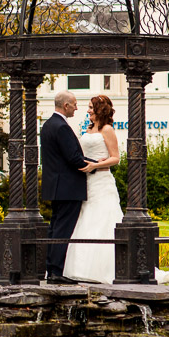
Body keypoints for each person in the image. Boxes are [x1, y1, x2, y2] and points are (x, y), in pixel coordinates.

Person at [63, 94, 123, 284]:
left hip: (101, 181)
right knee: (85, 219)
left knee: (102, 220)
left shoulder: (107, 130)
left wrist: (95, 166)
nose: (87, 110)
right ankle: (78, 268)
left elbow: (115, 158)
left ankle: (103, 269)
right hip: (86, 181)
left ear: (100, 110)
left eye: (91, 107)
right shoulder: (87, 129)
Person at [40, 91, 96, 282]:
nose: (77, 108)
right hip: (67, 187)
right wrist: (95, 167)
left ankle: (51, 269)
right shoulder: (62, 127)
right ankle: (56, 272)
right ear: (66, 106)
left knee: (55, 228)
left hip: (56, 186)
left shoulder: (47, 125)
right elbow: (73, 158)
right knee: (63, 229)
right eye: (74, 104)